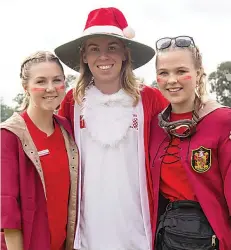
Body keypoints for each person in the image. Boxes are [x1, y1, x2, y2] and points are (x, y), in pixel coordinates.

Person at [55, 7, 168, 250]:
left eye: (112, 48)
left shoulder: (150, 99)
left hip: (138, 225)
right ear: (84, 56)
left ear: (126, 54)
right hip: (88, 227)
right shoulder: (71, 102)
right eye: (94, 49)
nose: (103, 56)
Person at [149, 36, 231, 250]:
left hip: (212, 239)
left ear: (198, 74)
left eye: (181, 71)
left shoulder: (222, 121)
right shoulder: (154, 127)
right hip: (165, 238)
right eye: (163, 73)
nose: (171, 80)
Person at [1, 51, 79, 250]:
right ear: (25, 87)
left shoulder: (67, 129)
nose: (50, 88)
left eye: (57, 80)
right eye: (41, 81)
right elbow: (7, 210)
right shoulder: (9, 135)